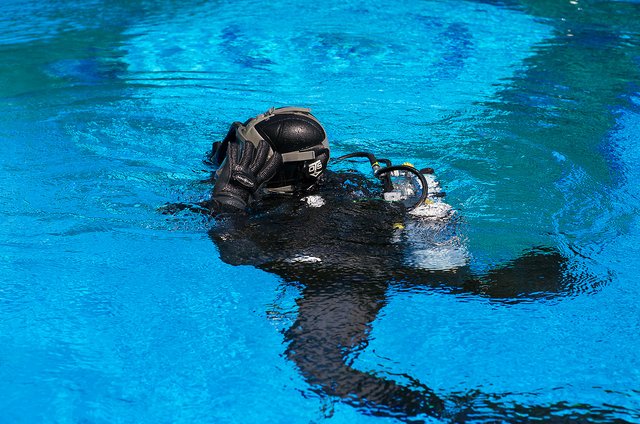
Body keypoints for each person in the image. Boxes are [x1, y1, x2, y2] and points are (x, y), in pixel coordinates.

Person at [169, 106, 602, 422]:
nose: (233, 161)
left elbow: (237, 253)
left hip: (345, 279)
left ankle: (456, 414)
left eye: (245, 155)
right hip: (377, 260)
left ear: (269, 171)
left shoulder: (270, 206)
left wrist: (231, 196)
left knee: (320, 368)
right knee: (453, 281)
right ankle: (509, 282)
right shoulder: (345, 184)